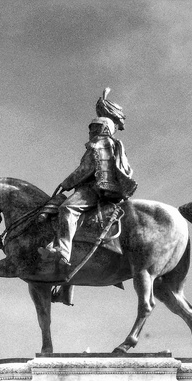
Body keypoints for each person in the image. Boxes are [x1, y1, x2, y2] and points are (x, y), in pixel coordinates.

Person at [40, 114, 136, 269]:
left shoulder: (100, 143)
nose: (91, 132)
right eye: (91, 129)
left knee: (66, 209)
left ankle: (63, 251)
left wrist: (66, 183)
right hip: (97, 188)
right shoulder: (108, 144)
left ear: (105, 129)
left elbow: (86, 169)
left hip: (94, 189)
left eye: (95, 128)